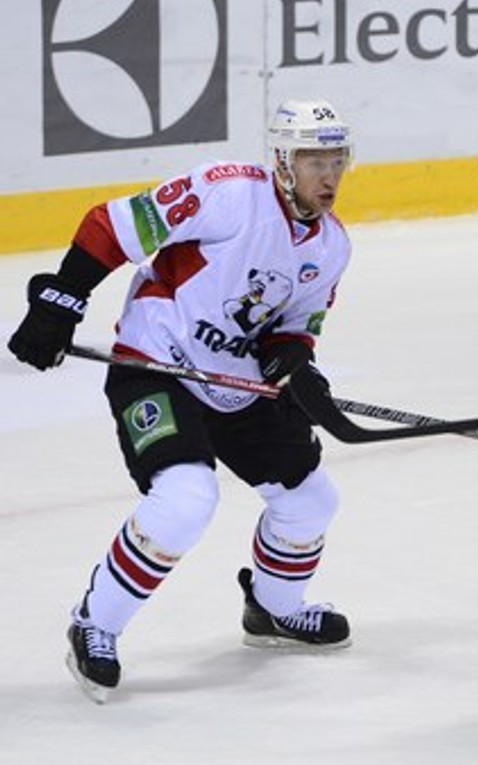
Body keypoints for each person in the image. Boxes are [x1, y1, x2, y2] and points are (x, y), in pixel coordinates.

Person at [7, 98, 357, 703]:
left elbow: (297, 324)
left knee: (311, 500)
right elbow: (110, 226)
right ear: (281, 160)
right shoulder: (229, 193)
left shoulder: (330, 247)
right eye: (312, 159)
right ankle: (96, 622)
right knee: (186, 498)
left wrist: (294, 358)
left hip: (236, 385)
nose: (328, 175)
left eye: (336, 160)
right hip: (157, 365)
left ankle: (273, 609)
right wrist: (61, 299)